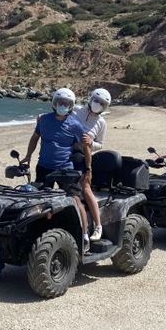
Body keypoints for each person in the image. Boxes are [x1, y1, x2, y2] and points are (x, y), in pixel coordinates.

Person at [22, 88, 93, 252]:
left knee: (75, 199)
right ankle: (37, 231)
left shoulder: (75, 125)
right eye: (60, 102)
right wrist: (28, 156)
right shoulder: (43, 120)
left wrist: (88, 168)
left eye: (66, 103)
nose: (63, 105)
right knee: (38, 199)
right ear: (54, 103)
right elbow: (35, 137)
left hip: (65, 170)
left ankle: (84, 235)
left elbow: (86, 146)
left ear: (71, 106)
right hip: (44, 167)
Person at [72, 88, 110, 242]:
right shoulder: (76, 110)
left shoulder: (101, 122)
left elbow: (100, 144)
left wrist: (91, 142)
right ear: (91, 98)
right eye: (96, 100)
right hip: (67, 154)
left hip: (83, 157)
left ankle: (98, 226)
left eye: (102, 103)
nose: (98, 104)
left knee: (86, 189)